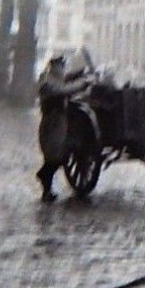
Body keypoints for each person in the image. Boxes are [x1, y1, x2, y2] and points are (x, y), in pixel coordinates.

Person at [35, 54, 92, 202]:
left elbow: (66, 80)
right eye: (61, 65)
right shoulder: (46, 82)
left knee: (57, 155)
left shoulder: (53, 78)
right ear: (54, 66)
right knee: (56, 155)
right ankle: (44, 178)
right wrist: (83, 83)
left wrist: (81, 74)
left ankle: (47, 189)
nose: (62, 68)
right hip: (51, 123)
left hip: (58, 121)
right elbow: (63, 90)